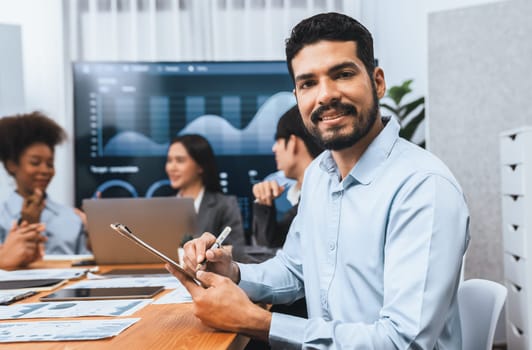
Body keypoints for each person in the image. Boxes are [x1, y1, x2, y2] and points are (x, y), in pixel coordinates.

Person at [168, 12, 470, 349]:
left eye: (342, 74)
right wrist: (233, 272)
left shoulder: (422, 188)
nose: (324, 95)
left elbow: (402, 342)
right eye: (308, 83)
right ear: (297, 96)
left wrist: (257, 322)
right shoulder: (318, 177)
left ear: (378, 82)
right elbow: (295, 270)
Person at [0, 111, 90, 256]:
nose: (44, 170)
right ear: (11, 165)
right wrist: (26, 225)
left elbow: (88, 269)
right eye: (35, 163)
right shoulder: (2, 217)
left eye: (50, 164)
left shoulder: (72, 218)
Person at [251, 105, 323, 253]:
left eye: (278, 141)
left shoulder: (320, 193)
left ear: (292, 142)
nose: (274, 149)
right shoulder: (305, 192)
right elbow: (272, 241)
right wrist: (264, 204)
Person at [165, 134, 246, 261]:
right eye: (169, 160)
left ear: (200, 166)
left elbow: (238, 252)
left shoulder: (225, 205)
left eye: (180, 160)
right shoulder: (163, 207)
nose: (171, 167)